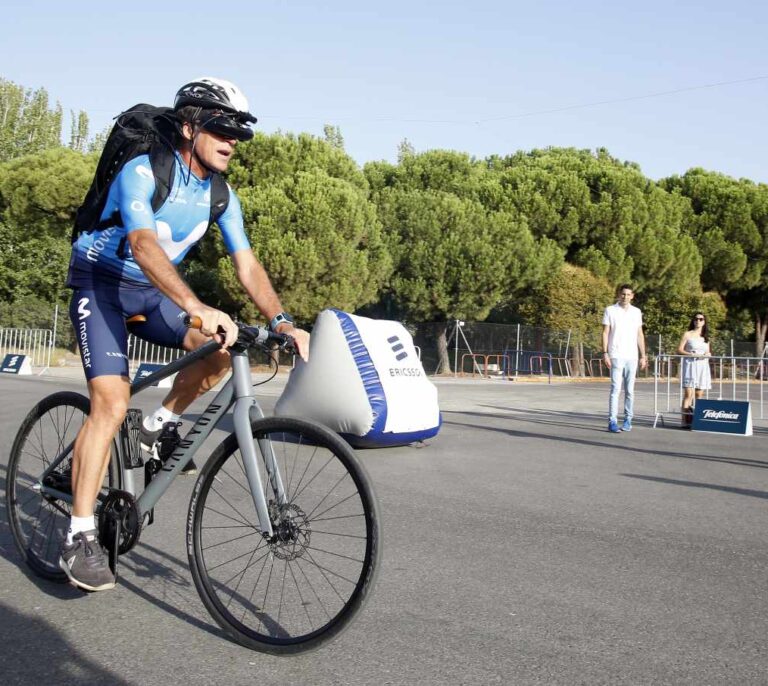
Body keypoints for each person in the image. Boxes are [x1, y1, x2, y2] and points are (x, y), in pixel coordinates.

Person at [61, 77, 310, 592]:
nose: (232, 140)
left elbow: (247, 264)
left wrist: (281, 321)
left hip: (152, 296)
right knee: (109, 403)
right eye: (222, 128)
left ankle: (156, 427)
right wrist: (196, 305)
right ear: (190, 125)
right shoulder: (144, 171)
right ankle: (79, 535)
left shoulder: (220, 195)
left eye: (240, 133)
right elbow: (144, 245)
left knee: (222, 351)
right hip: (102, 285)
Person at [601, 284, 647, 433]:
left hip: (632, 356)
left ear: (632, 296)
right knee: (615, 389)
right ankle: (612, 421)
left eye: (628, 294)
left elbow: (640, 334)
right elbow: (605, 333)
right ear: (618, 295)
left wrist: (643, 355)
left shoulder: (636, 312)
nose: (625, 297)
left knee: (630, 391)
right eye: (623, 294)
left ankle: (628, 419)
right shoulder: (610, 310)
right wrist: (605, 353)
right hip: (616, 354)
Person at [677, 312, 712, 429]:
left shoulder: (706, 337)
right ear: (693, 321)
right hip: (690, 366)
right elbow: (679, 350)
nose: (698, 321)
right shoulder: (687, 334)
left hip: (702, 367)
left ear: (704, 322)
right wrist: (690, 354)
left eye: (701, 319)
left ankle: (698, 420)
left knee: (699, 394)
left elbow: (708, 351)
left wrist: (708, 354)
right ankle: (684, 420)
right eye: (696, 319)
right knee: (688, 393)